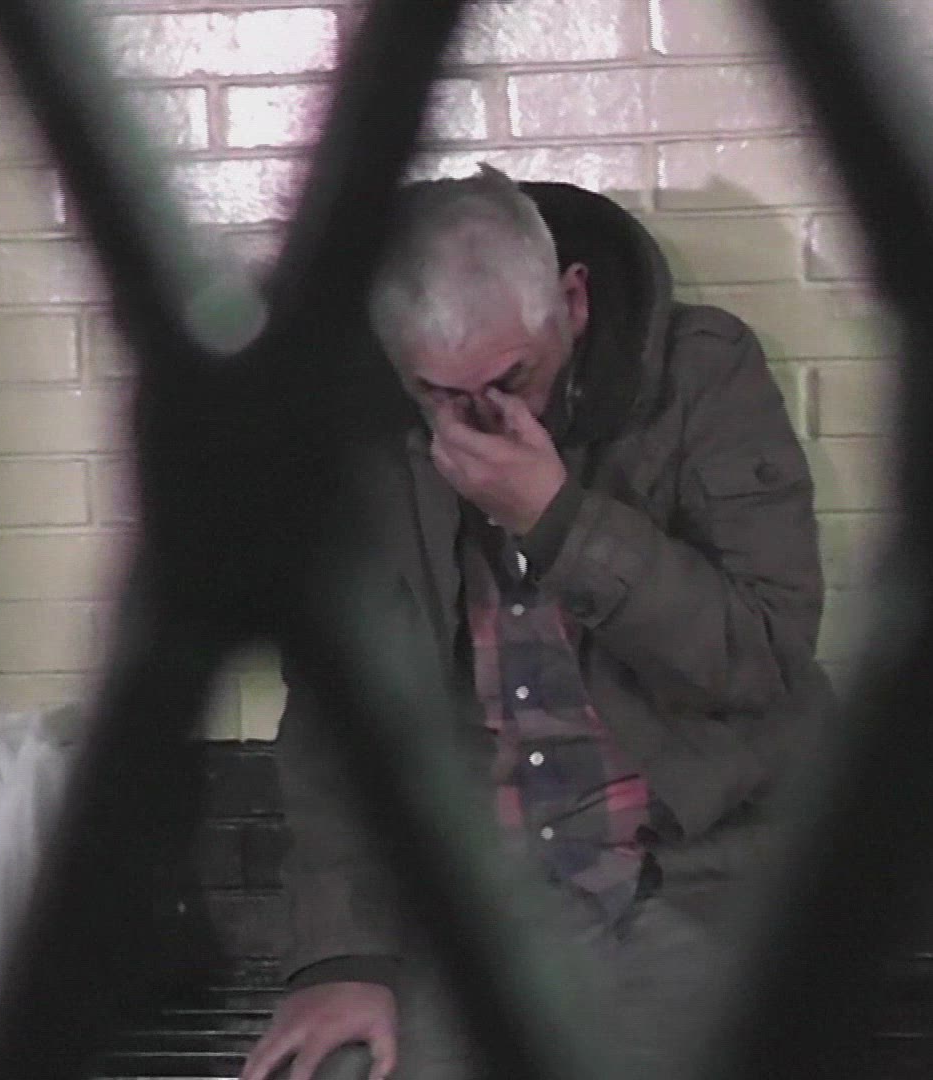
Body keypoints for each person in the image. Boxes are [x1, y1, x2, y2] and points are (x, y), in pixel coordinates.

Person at [238, 165, 835, 1080]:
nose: (484, 416)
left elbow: (763, 659)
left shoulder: (701, 376)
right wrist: (343, 957)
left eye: (511, 377)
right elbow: (335, 718)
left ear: (574, 304)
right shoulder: (356, 439)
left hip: (690, 877)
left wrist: (557, 520)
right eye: (440, 393)